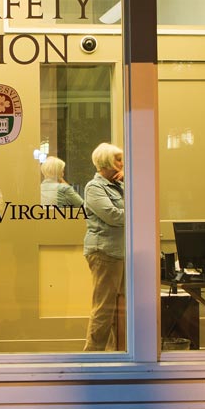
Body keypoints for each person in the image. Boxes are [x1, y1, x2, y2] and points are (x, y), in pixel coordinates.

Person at [82, 142, 125, 352]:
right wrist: (138, 214)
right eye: (118, 159)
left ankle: (113, 355)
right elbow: (113, 216)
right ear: (107, 161)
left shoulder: (121, 185)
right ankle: (92, 357)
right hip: (105, 253)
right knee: (104, 309)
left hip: (121, 253)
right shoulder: (94, 187)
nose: (122, 163)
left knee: (119, 309)